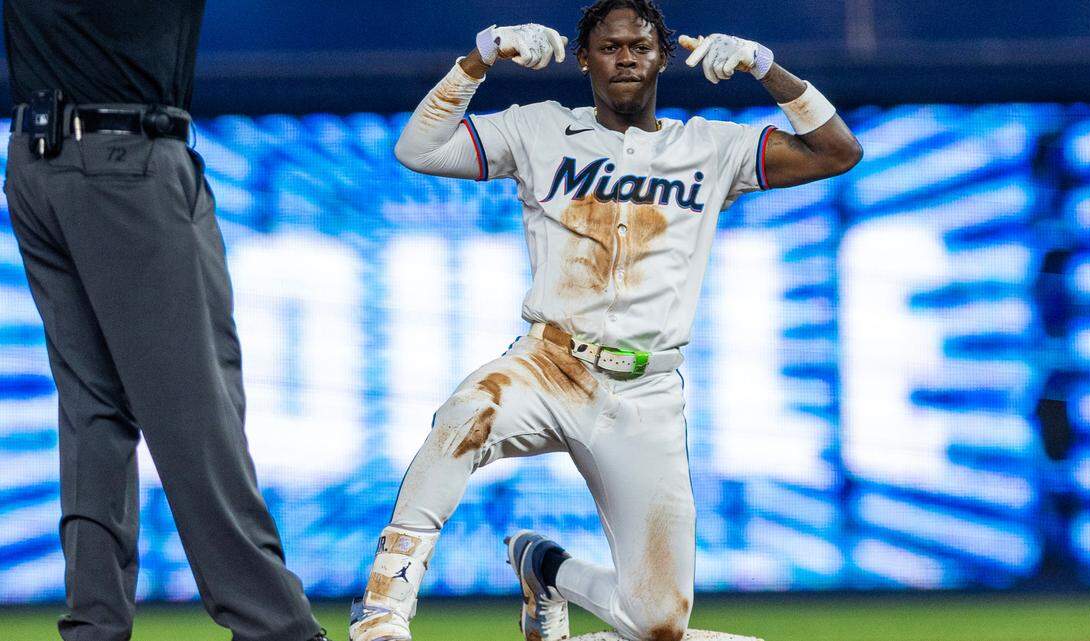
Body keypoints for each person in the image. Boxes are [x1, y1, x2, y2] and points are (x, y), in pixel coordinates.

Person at [349, 1, 862, 640]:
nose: (625, 57)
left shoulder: (710, 147)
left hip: (647, 392)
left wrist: (768, 69)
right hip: (550, 363)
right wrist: (480, 58)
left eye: (640, 47)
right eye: (610, 46)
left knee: (657, 627)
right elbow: (417, 149)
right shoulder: (537, 129)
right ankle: (384, 604)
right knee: (465, 414)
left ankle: (548, 569)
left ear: (663, 58)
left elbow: (839, 152)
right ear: (584, 57)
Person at [2, 2, 328, 640]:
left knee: (94, 410)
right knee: (192, 410)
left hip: (38, 158)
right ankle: (276, 629)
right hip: (124, 163)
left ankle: (95, 626)